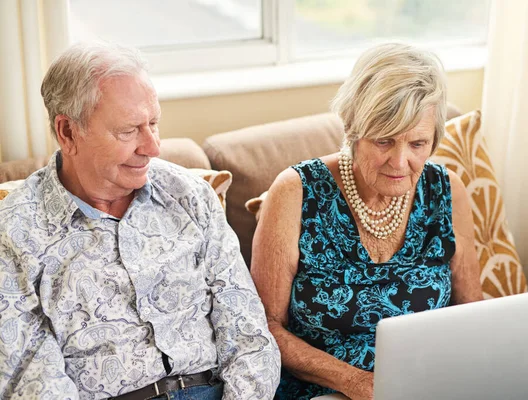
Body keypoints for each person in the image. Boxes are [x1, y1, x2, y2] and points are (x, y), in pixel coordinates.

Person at [0, 43, 280, 400]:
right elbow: (32, 380)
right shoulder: (14, 230)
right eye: (129, 130)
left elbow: (249, 336)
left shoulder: (189, 196)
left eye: (153, 123)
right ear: (68, 132)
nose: (152, 146)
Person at [250, 43, 484, 400]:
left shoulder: (447, 191)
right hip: (321, 389)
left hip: (423, 383)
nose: (400, 161)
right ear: (353, 131)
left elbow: (473, 314)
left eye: (418, 143)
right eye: (384, 140)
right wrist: (355, 383)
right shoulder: (295, 192)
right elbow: (264, 327)